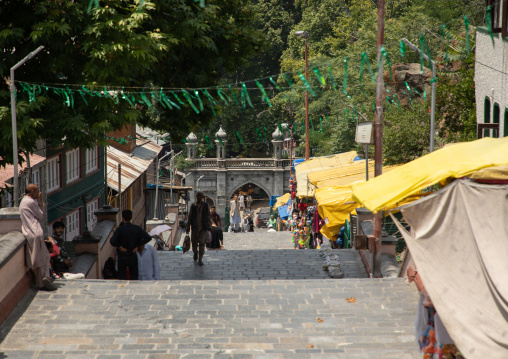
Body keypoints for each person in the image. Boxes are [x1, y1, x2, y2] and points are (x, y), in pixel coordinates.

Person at [19, 184, 56, 291]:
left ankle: (42, 281)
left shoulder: (24, 201)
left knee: (41, 257)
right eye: (37, 191)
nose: (38, 193)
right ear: (32, 192)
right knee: (44, 257)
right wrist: (40, 202)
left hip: (29, 231)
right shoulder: (30, 202)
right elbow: (40, 215)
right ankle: (44, 278)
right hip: (35, 232)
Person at [110, 209, 152, 280]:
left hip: (122, 256)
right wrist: (138, 246)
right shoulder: (136, 228)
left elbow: (112, 241)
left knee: (122, 277)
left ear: (122, 218)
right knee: (134, 277)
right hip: (132, 255)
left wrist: (119, 247)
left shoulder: (120, 229)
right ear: (131, 218)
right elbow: (148, 237)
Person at [185, 191, 211, 266]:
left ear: (202, 197)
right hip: (194, 227)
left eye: (200, 196)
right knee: (194, 243)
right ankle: (195, 252)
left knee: (202, 244)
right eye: (198, 196)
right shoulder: (193, 205)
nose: (199, 197)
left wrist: (209, 225)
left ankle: (200, 259)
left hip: (203, 227)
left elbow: (208, 216)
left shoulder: (206, 205)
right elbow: (190, 217)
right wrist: (188, 227)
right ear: (196, 197)